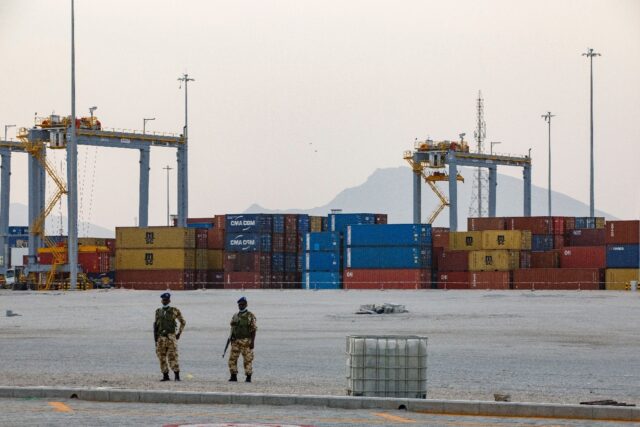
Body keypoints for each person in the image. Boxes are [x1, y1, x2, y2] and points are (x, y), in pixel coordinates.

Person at [153, 292, 186, 381]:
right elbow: (156, 325)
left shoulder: (174, 310)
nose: (165, 301)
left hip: (171, 337)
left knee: (173, 356)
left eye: (166, 300)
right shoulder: (158, 311)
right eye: (163, 300)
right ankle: (165, 375)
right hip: (160, 338)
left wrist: (179, 333)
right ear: (161, 301)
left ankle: (177, 375)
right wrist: (156, 338)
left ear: (169, 300)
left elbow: (183, 322)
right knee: (161, 357)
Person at [228, 296, 257, 382]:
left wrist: (252, 342)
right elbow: (232, 327)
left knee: (247, 360)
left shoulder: (250, 316)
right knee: (232, 359)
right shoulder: (235, 315)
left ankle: (248, 377)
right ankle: (233, 376)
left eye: (242, 304)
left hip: (246, 341)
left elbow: (253, 330)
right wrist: (231, 338)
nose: (241, 306)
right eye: (239, 305)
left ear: (246, 305)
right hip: (236, 341)